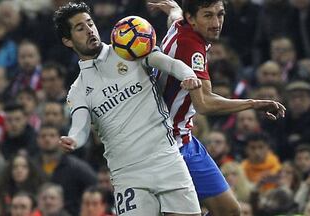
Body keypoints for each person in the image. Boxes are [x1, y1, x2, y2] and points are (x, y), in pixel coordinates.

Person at [54, 2, 202, 216]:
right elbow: (80, 126)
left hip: (166, 159)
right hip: (128, 175)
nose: (89, 30)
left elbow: (170, 64)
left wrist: (188, 75)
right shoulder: (77, 91)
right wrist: (73, 139)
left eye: (90, 23)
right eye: (80, 28)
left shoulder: (130, 48)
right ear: (67, 41)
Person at [148, 0, 286, 215]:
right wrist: (254, 104)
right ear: (192, 19)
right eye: (208, 15)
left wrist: (171, 7)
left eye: (220, 14)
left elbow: (173, 16)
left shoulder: (180, 25)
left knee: (230, 211)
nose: (216, 22)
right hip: (167, 147)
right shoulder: (192, 47)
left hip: (186, 140)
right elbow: (205, 103)